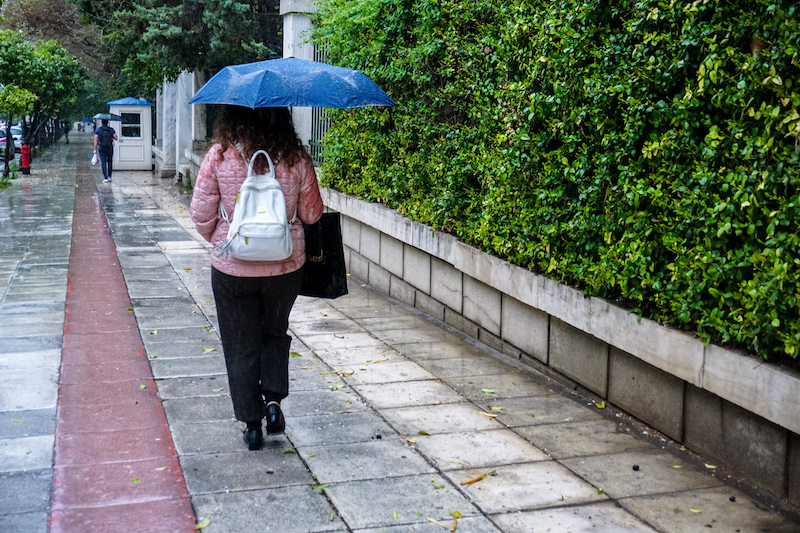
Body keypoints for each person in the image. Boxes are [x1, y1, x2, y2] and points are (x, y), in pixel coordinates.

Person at [190, 106, 323, 450]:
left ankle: (252, 424)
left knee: (239, 344)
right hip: (285, 268)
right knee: (274, 333)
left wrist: (223, 238)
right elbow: (312, 213)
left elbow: (201, 214)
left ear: (232, 116)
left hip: (233, 269)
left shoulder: (219, 155)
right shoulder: (296, 157)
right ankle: (274, 404)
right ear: (281, 116)